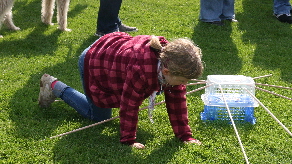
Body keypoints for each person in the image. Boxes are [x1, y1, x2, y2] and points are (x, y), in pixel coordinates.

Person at [38, 32, 204, 149]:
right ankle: (53, 85)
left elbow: (177, 101)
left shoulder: (170, 62)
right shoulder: (141, 71)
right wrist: (128, 140)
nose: (184, 85)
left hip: (112, 53)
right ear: (166, 72)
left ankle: (55, 86)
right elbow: (129, 105)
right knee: (98, 117)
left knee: (164, 88)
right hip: (95, 58)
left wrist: (185, 136)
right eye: (183, 81)